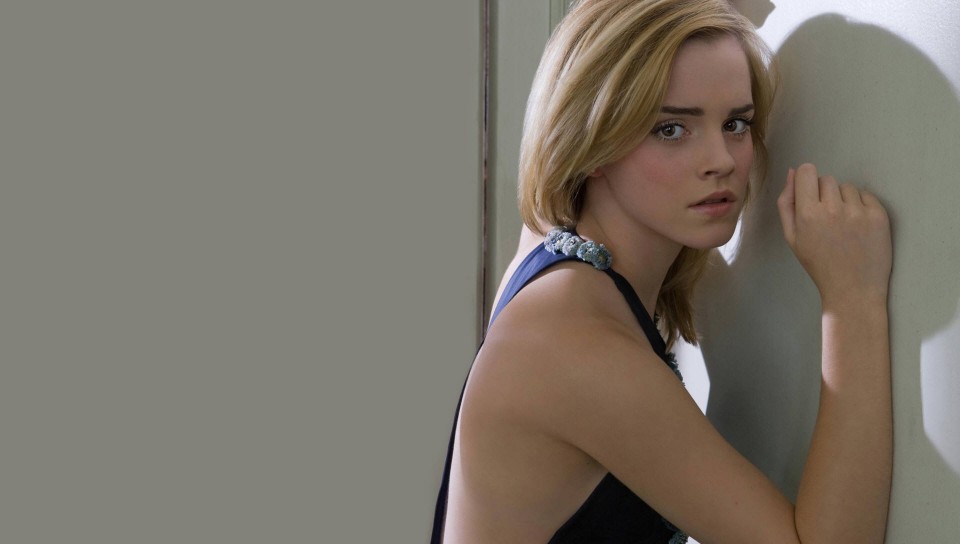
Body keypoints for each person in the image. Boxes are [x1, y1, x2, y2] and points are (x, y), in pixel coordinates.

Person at [432, 0, 893, 542]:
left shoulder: (553, 241)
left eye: (735, 123)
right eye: (671, 129)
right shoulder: (573, 347)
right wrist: (852, 299)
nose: (722, 160)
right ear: (592, 143)